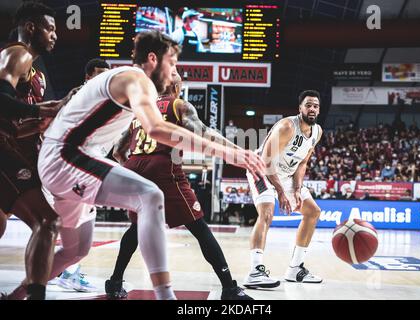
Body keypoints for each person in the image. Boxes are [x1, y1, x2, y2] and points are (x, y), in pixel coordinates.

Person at [9, 30, 264, 301]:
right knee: (150, 195)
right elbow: (157, 129)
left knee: (75, 251)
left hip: (80, 161)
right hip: (68, 157)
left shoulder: (134, 92)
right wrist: (230, 153)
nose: (175, 71)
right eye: (173, 64)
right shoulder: (138, 79)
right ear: (153, 59)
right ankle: (167, 296)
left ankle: (16, 295)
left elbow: (118, 146)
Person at [105, 73, 254, 300]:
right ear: (176, 86)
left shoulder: (140, 109)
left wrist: (133, 171)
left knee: (137, 228)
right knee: (200, 228)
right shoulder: (178, 105)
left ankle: (114, 282)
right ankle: (229, 288)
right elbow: (204, 133)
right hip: (162, 167)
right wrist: (237, 152)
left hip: (135, 165)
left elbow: (117, 150)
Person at [0, 2, 64, 300]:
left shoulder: (34, 71)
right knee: (48, 221)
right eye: (50, 28)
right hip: (3, 151)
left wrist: (45, 120)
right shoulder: (17, 53)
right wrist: (42, 109)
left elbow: (13, 126)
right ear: (30, 28)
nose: (55, 35)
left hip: (9, 142)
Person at [243, 90, 323, 289]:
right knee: (267, 213)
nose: (312, 109)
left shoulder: (317, 132)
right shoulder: (288, 126)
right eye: (308, 105)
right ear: (300, 108)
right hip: (261, 168)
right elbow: (267, 161)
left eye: (316, 106)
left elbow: (303, 162)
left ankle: (295, 269)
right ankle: (255, 271)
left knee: (312, 212)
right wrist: (280, 192)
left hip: (286, 174)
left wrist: (296, 188)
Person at [49, 58, 111, 293]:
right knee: (75, 222)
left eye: (105, 75)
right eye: (97, 75)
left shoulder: (107, 100)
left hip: (84, 165)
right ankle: (69, 273)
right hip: (70, 166)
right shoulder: (80, 98)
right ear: (87, 77)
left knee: (69, 223)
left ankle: (58, 270)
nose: (102, 79)